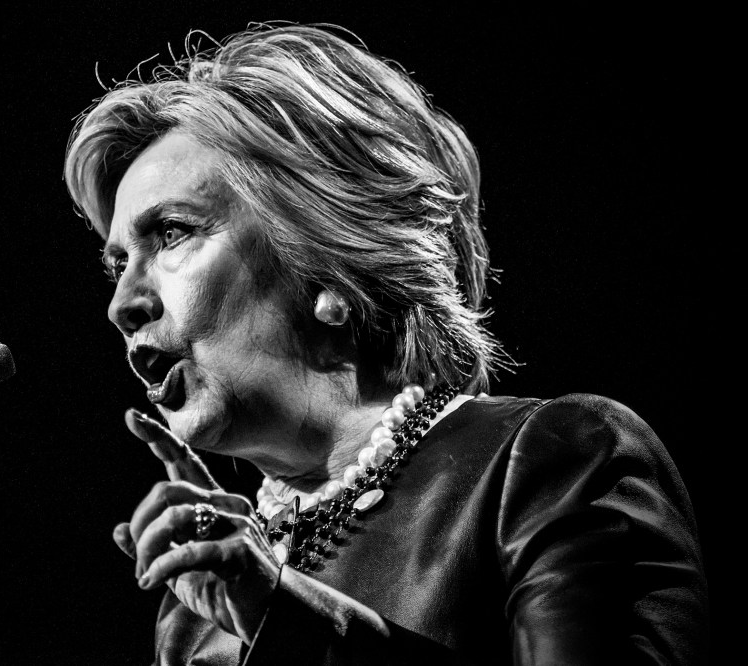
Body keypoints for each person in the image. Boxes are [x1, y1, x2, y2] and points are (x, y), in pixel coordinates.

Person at [63, 23, 709, 665]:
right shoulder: (198, 605)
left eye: (171, 233)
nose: (121, 305)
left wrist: (288, 620)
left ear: (323, 257)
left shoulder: (555, 460)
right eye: (117, 264)